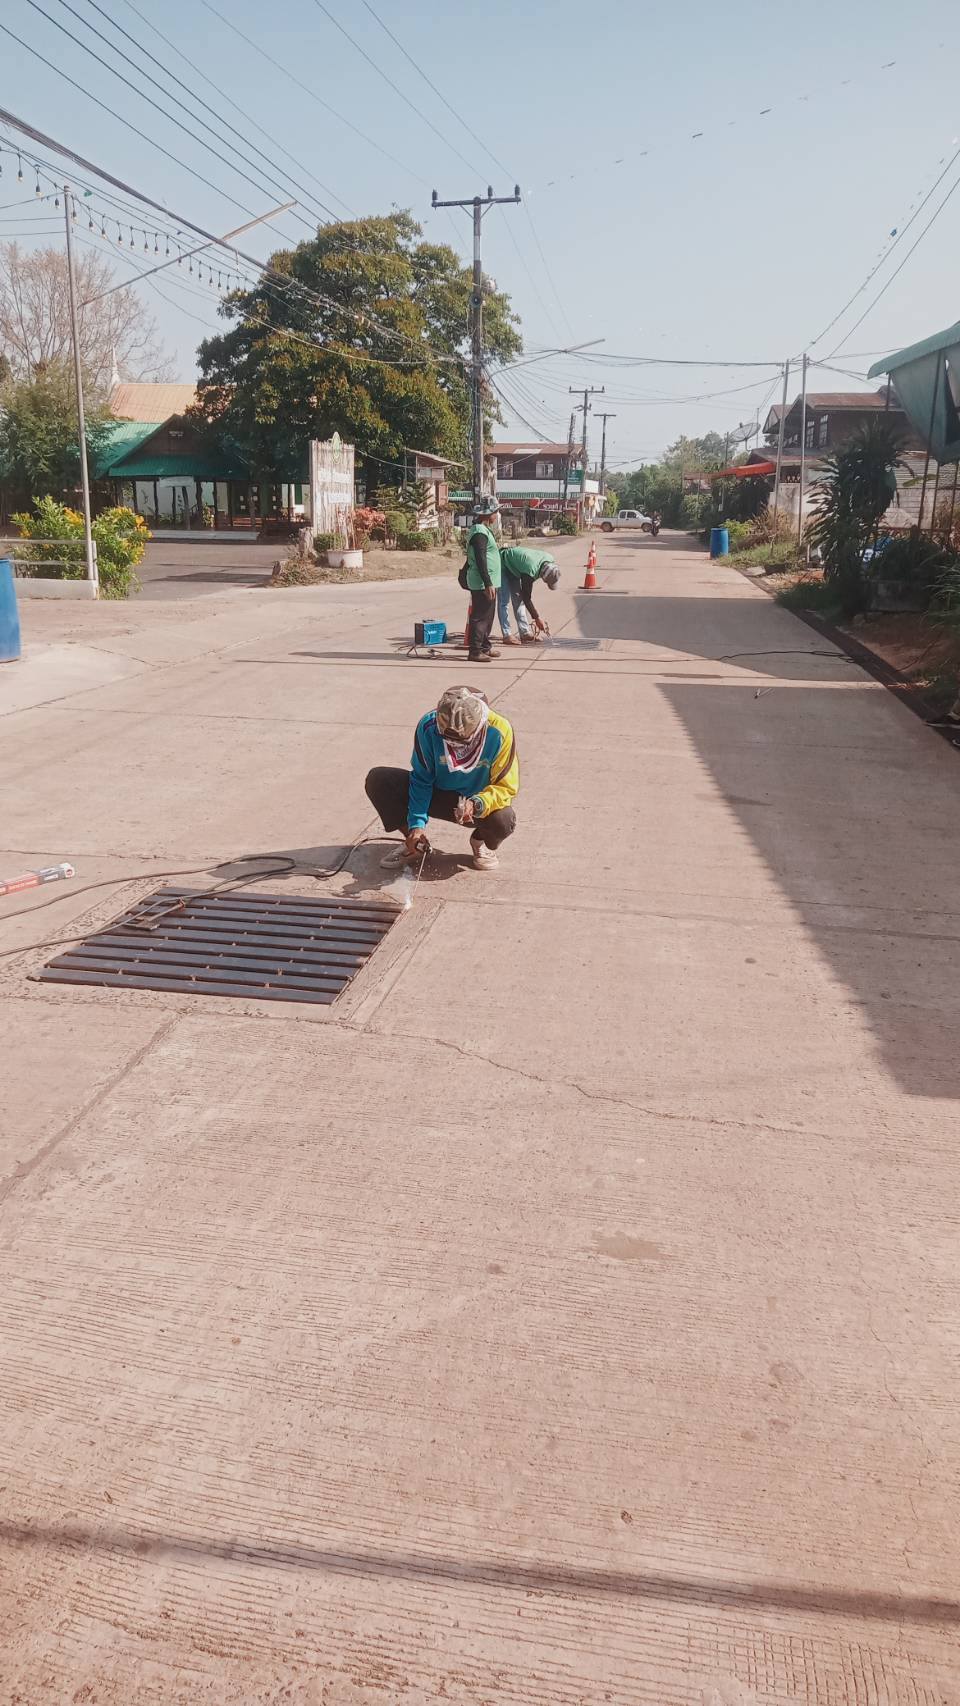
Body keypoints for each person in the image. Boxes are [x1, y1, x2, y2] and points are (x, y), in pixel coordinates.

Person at [366, 686, 519, 873]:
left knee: (504, 819)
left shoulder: (500, 731)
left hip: (476, 804)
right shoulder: (428, 727)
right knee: (379, 780)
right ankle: (416, 843)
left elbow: (505, 787)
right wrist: (416, 825)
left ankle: (479, 841)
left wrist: (476, 804)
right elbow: (421, 779)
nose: (456, 747)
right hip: (437, 794)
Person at [464, 496, 502, 662]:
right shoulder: (479, 532)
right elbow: (481, 558)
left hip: (490, 581)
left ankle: (485, 647)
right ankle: (475, 651)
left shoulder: (483, 530)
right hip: (482, 583)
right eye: (496, 512)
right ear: (488, 514)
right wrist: (487, 582)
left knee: (488, 616)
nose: (497, 515)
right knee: (480, 616)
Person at [500, 545, 561, 642]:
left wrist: (536, 618)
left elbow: (523, 598)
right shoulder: (530, 571)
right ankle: (507, 634)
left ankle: (524, 632)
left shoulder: (550, 558)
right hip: (503, 563)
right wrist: (537, 618)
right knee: (504, 601)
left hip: (516, 566)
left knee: (518, 601)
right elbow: (526, 598)